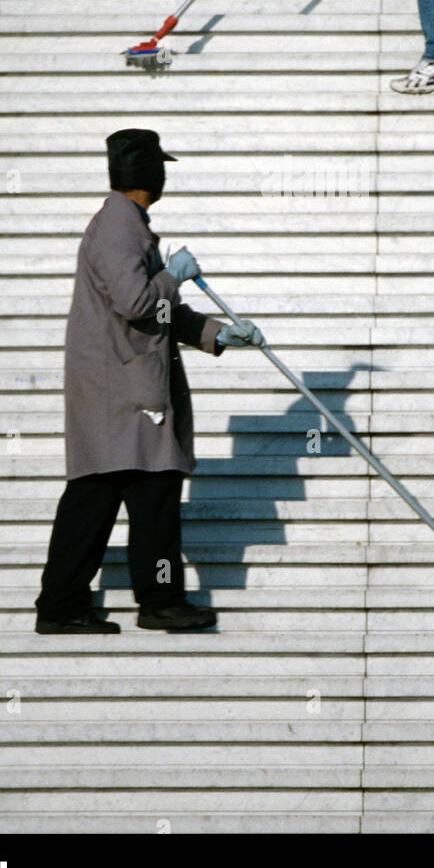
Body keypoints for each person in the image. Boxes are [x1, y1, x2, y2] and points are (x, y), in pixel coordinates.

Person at [35, 128, 264, 634]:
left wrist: (219, 334)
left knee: (111, 498)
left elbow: (161, 311)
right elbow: (139, 302)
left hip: (121, 388)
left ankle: (69, 603)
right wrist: (173, 275)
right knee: (142, 496)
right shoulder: (119, 227)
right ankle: (150, 601)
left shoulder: (127, 224)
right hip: (124, 390)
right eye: (159, 167)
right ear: (148, 173)